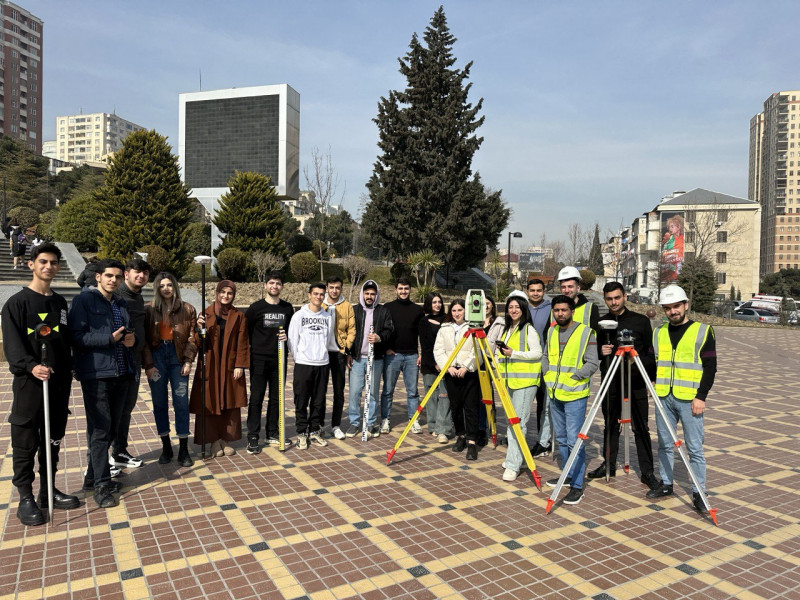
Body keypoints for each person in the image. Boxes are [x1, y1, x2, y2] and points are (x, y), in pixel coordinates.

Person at [2, 243, 80, 526]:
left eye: (54, 262)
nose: (49, 266)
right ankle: (25, 497)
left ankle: (48, 490)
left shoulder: (59, 303)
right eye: (43, 261)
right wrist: (31, 365)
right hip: (30, 386)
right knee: (25, 442)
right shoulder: (16, 304)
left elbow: (64, 340)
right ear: (31, 264)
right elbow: (12, 346)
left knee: (52, 440)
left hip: (57, 385)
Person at [68, 258, 136, 508]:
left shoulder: (119, 302)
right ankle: (102, 486)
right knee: (100, 431)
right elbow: (76, 337)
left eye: (118, 277)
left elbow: (127, 333)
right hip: (96, 374)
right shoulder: (84, 300)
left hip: (121, 372)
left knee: (111, 428)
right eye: (109, 276)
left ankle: (91, 477)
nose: (114, 281)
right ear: (98, 276)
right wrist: (108, 338)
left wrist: (131, 340)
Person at [647, 285, 716, 515]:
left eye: (676, 306)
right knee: (665, 444)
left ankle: (699, 491)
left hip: (690, 399)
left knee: (694, 448)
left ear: (685, 305)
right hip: (664, 397)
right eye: (667, 308)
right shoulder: (658, 332)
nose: (672, 311)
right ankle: (667, 484)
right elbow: (650, 360)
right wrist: (654, 381)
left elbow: (710, 367)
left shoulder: (703, 331)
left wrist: (701, 396)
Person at [587, 282, 659, 490]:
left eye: (617, 298)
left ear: (625, 297)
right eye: (609, 299)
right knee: (610, 424)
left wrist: (649, 377)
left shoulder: (640, 321)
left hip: (636, 382)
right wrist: (603, 351)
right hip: (611, 381)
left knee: (641, 427)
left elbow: (649, 353)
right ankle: (608, 465)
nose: (613, 302)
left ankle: (647, 471)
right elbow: (594, 352)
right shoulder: (601, 323)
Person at [542, 295, 599, 505]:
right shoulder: (551, 330)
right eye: (556, 310)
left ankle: (577, 486)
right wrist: (547, 374)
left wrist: (575, 377)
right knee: (563, 440)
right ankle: (567, 473)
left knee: (575, 441)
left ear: (572, 311)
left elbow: (592, 363)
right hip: (555, 393)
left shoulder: (586, 332)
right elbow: (546, 356)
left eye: (564, 310)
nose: (560, 314)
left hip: (575, 395)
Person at [143, 272, 198, 467]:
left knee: (181, 402)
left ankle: (183, 448)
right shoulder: (149, 310)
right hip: (157, 358)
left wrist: (188, 361)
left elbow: (193, 337)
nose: (166, 288)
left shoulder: (187, 309)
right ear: (157, 288)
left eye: (169, 285)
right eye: (162, 285)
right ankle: (166, 446)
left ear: (175, 287)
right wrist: (149, 365)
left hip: (178, 357)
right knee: (159, 403)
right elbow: (145, 341)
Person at [190, 281, 249, 458]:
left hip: (230, 365)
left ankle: (226, 439)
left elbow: (243, 342)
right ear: (216, 293)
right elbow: (200, 344)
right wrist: (199, 328)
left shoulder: (238, 316)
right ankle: (213, 441)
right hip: (211, 364)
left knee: (230, 401)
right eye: (222, 292)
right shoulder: (205, 314)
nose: (225, 295)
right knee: (210, 401)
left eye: (229, 293)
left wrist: (240, 364)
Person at [244, 272, 295, 453]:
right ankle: (253, 436)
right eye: (272, 283)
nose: (275, 286)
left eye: (278, 283)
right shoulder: (255, 308)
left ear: (282, 286)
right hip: (258, 359)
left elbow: (292, 332)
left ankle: (272, 432)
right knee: (256, 398)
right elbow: (246, 333)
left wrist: (286, 337)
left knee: (276, 398)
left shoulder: (288, 308)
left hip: (279, 358)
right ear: (266, 285)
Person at [110, 257, 151, 470]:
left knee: (126, 408)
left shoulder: (137, 296)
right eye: (137, 272)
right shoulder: (116, 295)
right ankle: (102, 458)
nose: (141, 276)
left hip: (133, 362)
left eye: (145, 273)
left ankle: (119, 451)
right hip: (117, 362)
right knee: (111, 410)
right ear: (126, 274)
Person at [496, 295, 542, 482]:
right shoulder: (508, 329)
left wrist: (514, 353)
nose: (513, 310)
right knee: (511, 422)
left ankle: (513, 465)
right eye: (510, 307)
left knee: (518, 423)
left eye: (517, 307)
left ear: (524, 309)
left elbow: (538, 353)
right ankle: (515, 458)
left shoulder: (528, 329)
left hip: (525, 383)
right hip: (509, 382)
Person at [287, 283, 338, 449]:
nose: (319, 297)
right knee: (301, 400)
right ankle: (302, 433)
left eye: (321, 294)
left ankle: (315, 430)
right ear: (309, 295)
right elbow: (292, 340)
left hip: (322, 364)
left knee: (318, 401)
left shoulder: (328, 317)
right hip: (303, 364)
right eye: (315, 294)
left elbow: (329, 339)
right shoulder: (299, 316)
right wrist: (299, 357)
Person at [434, 299, 482, 461]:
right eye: (454, 310)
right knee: (455, 407)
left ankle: (472, 442)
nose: (457, 313)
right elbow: (438, 350)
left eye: (460, 310)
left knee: (470, 408)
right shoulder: (445, 328)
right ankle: (461, 435)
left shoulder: (473, 328)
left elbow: (478, 352)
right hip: (451, 373)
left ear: (465, 311)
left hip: (468, 373)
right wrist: (448, 367)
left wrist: (466, 367)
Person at [346, 280, 394, 438]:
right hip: (358, 359)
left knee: (373, 392)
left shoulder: (383, 311)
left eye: (372, 294)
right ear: (362, 294)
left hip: (376, 359)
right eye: (367, 293)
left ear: (376, 295)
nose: (369, 296)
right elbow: (348, 333)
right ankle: (354, 422)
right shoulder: (354, 310)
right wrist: (348, 353)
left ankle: (371, 422)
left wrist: (379, 337)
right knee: (354, 392)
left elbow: (389, 330)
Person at [380, 278, 424, 434]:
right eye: (401, 288)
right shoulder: (387, 308)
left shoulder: (417, 310)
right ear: (395, 290)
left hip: (412, 356)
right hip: (393, 356)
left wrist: (421, 353)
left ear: (410, 289)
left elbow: (423, 334)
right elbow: (382, 330)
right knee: (388, 390)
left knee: (412, 391)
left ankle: (414, 420)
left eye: (406, 288)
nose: (403, 291)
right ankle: (385, 420)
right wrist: (386, 349)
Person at [323, 276, 356, 440]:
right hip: (320, 353)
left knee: (338, 390)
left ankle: (336, 425)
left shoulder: (347, 306)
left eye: (337, 287)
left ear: (341, 289)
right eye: (331, 287)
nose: (334, 290)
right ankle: (318, 425)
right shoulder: (319, 303)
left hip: (339, 353)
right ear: (327, 288)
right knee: (319, 390)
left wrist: (347, 349)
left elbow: (351, 329)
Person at [419, 292, 451, 443]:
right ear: (429, 304)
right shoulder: (424, 321)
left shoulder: (448, 320)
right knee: (431, 396)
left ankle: (442, 427)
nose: (437, 304)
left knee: (444, 396)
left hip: (446, 364)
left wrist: (444, 362)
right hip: (430, 364)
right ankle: (432, 426)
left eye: (439, 301)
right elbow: (426, 345)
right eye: (434, 302)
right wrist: (434, 363)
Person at [526, 279, 553, 458]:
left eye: (539, 290)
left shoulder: (551, 308)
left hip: (544, 363)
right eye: (532, 290)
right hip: (525, 363)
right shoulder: (522, 306)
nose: (535, 293)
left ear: (544, 291)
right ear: (527, 291)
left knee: (544, 405)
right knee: (525, 403)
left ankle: (544, 441)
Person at [479, 295, 504, 446]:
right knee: (478, 397)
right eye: (483, 304)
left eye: (488, 304)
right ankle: (480, 427)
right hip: (476, 362)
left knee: (489, 397)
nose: (486, 306)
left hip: (491, 362)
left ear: (493, 306)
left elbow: (499, 344)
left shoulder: (499, 323)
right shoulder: (474, 322)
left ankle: (490, 427)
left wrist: (495, 362)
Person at [555, 266, 600, 332]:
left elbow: (596, 336)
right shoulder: (554, 309)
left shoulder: (591, 309)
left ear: (578, 288)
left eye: (570, 286)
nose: (567, 290)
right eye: (563, 287)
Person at [661, 215, 685, 283]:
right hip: (669, 271)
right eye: (669, 227)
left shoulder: (683, 239)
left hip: (679, 269)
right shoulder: (668, 239)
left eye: (672, 226)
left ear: (679, 227)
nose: (670, 229)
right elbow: (663, 253)